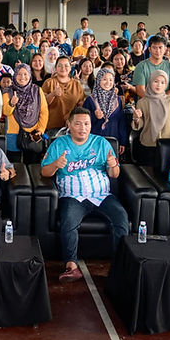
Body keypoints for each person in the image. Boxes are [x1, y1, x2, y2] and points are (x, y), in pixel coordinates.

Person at [41, 108, 129, 283]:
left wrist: (113, 165)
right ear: (69, 125)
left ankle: (120, 266)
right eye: (78, 123)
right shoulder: (59, 145)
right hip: (73, 196)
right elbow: (44, 172)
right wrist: (56, 164)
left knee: (121, 218)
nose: (83, 128)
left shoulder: (101, 143)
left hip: (101, 195)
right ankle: (71, 266)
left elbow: (115, 175)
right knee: (68, 221)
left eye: (86, 124)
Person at [131, 69, 170, 166]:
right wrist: (136, 118)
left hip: (168, 144)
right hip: (148, 144)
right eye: (156, 81)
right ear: (150, 82)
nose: (159, 85)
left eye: (163, 83)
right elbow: (140, 124)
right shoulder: (142, 102)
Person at [2, 63, 49, 162]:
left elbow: (44, 112)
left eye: (25, 74)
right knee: (14, 165)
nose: (22, 77)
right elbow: (6, 112)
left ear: (30, 75)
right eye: (19, 74)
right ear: (14, 75)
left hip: (33, 133)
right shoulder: (8, 91)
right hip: (13, 134)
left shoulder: (37, 90)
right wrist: (11, 103)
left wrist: (40, 130)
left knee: (32, 165)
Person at [83, 68, 129, 158]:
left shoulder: (117, 99)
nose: (108, 82)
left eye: (111, 80)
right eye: (104, 79)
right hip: (93, 141)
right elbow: (83, 122)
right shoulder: (90, 100)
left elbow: (121, 121)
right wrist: (95, 117)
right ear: (98, 80)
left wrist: (123, 141)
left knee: (112, 167)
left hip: (113, 140)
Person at [42, 56, 85, 130]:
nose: (63, 68)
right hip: (51, 126)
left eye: (66, 65)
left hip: (71, 127)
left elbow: (81, 105)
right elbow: (42, 104)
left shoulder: (76, 84)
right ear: (55, 68)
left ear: (70, 68)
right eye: (60, 65)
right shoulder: (49, 82)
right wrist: (53, 94)